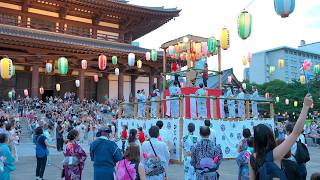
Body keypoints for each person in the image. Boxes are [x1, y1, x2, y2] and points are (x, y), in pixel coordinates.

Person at [249, 94, 313, 179]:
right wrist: (305, 106)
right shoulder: (275, 154)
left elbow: (251, 178)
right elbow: (296, 132)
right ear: (270, 137)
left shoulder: (252, 158)